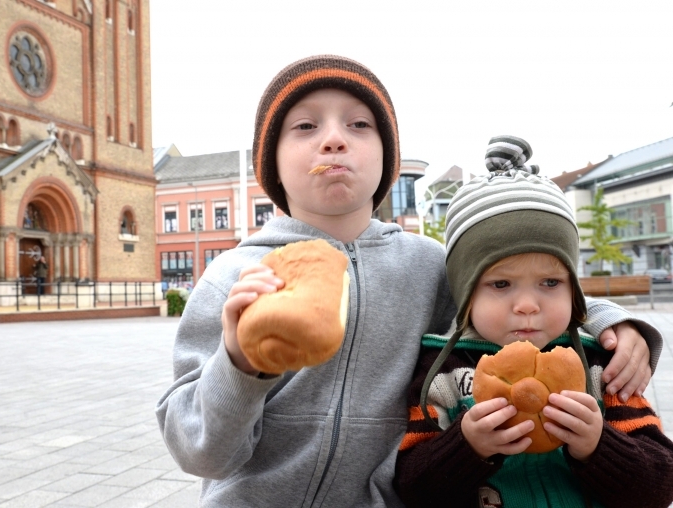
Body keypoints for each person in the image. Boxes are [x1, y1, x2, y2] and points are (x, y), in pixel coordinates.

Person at [155, 57, 662, 507]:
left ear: (385, 158)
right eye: (306, 125)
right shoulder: (235, 277)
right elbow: (201, 452)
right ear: (272, 166)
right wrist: (240, 363)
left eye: (358, 124)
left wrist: (615, 321)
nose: (334, 138)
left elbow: (521, 284)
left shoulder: (427, 266)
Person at [393, 136, 673, 507]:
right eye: (501, 284)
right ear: (465, 293)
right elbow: (412, 489)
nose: (527, 305)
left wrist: (597, 445)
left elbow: (658, 489)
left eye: (551, 282)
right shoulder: (442, 374)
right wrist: (466, 447)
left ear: (573, 290)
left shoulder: (602, 370)